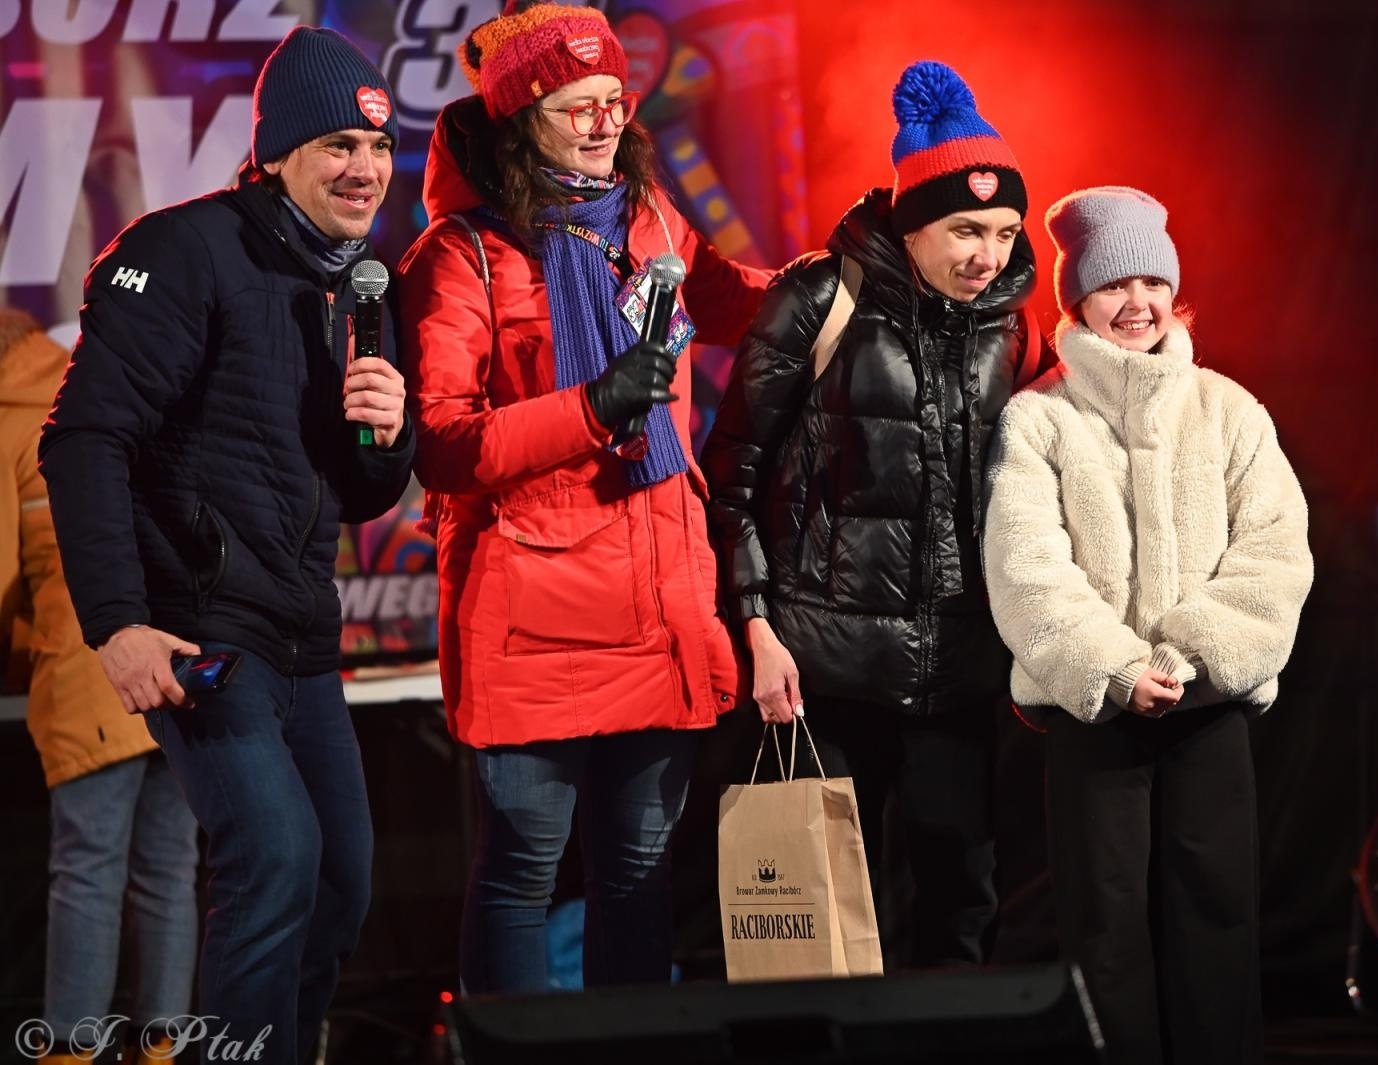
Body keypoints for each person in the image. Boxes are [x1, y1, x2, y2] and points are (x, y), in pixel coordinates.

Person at [38, 27, 414, 1065]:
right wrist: (118, 625)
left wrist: (387, 434)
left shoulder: (356, 285)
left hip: (303, 643)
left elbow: (362, 492)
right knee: (278, 859)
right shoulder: (183, 250)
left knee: (340, 883)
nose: (365, 170)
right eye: (339, 144)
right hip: (204, 634)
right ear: (279, 150)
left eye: (379, 150)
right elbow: (81, 442)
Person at [395, 2, 772, 994]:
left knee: (641, 875)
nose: (608, 123)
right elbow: (440, 447)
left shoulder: (650, 220)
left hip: (657, 600)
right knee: (523, 871)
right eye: (579, 108)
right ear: (523, 119)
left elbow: (731, 300)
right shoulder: (459, 257)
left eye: (616, 100)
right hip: (533, 614)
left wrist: (838, 272)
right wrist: (592, 406)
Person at [700, 60, 1051, 968]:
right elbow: (729, 475)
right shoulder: (819, 297)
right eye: (966, 229)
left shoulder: (1011, 323)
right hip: (824, 672)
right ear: (912, 219)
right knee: (814, 929)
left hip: (964, 671)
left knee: (959, 916)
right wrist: (756, 626)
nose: (991, 255)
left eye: (1007, 231)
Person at [982, 186, 1314, 1064]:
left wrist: (1188, 656)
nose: (1136, 303)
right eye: (1111, 285)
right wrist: (1117, 666)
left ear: (1174, 290)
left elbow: (1277, 554)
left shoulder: (1229, 410)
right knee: (1105, 929)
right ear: (1076, 301)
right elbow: (1025, 569)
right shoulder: (1038, 416)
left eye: (1150, 281)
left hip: (1209, 709)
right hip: (1097, 712)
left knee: (1217, 918)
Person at [3, 310, 197, 1065]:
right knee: (170, 868)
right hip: (180, 659)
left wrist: (23, 651)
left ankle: (70, 1052)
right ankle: (166, 1048)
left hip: (92, 668)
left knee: (86, 868)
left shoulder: (12, 415)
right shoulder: (102, 392)